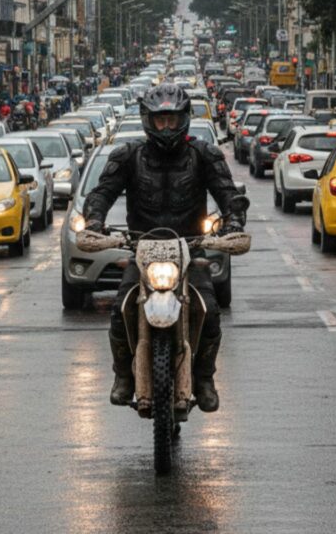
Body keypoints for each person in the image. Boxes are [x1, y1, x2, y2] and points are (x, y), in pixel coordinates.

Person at [82, 84, 248, 413]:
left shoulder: (205, 154)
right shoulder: (128, 155)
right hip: (142, 248)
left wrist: (233, 222)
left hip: (191, 249)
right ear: (148, 121)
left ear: (184, 119)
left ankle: (203, 378)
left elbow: (228, 195)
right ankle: (124, 377)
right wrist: (93, 222)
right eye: (161, 121)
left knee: (210, 311)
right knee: (120, 311)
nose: (167, 127)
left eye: (173, 120)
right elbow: (101, 193)